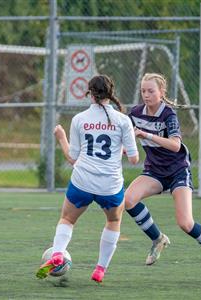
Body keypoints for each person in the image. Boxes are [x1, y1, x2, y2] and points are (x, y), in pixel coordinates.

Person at [124, 73, 201, 282]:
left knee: (185, 223)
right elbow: (128, 139)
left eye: (151, 91)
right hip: (154, 172)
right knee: (128, 199)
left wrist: (146, 135)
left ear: (161, 92)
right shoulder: (136, 114)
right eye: (143, 91)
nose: (146, 95)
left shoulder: (169, 115)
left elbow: (175, 145)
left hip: (177, 171)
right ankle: (158, 239)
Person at [35, 75, 139, 283]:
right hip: (110, 186)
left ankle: (57, 254)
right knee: (113, 220)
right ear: (111, 94)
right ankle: (100, 269)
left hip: (82, 181)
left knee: (67, 219)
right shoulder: (123, 120)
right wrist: (122, 148)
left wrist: (61, 137)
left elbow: (73, 158)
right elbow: (135, 159)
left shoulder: (80, 119)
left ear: (90, 94)